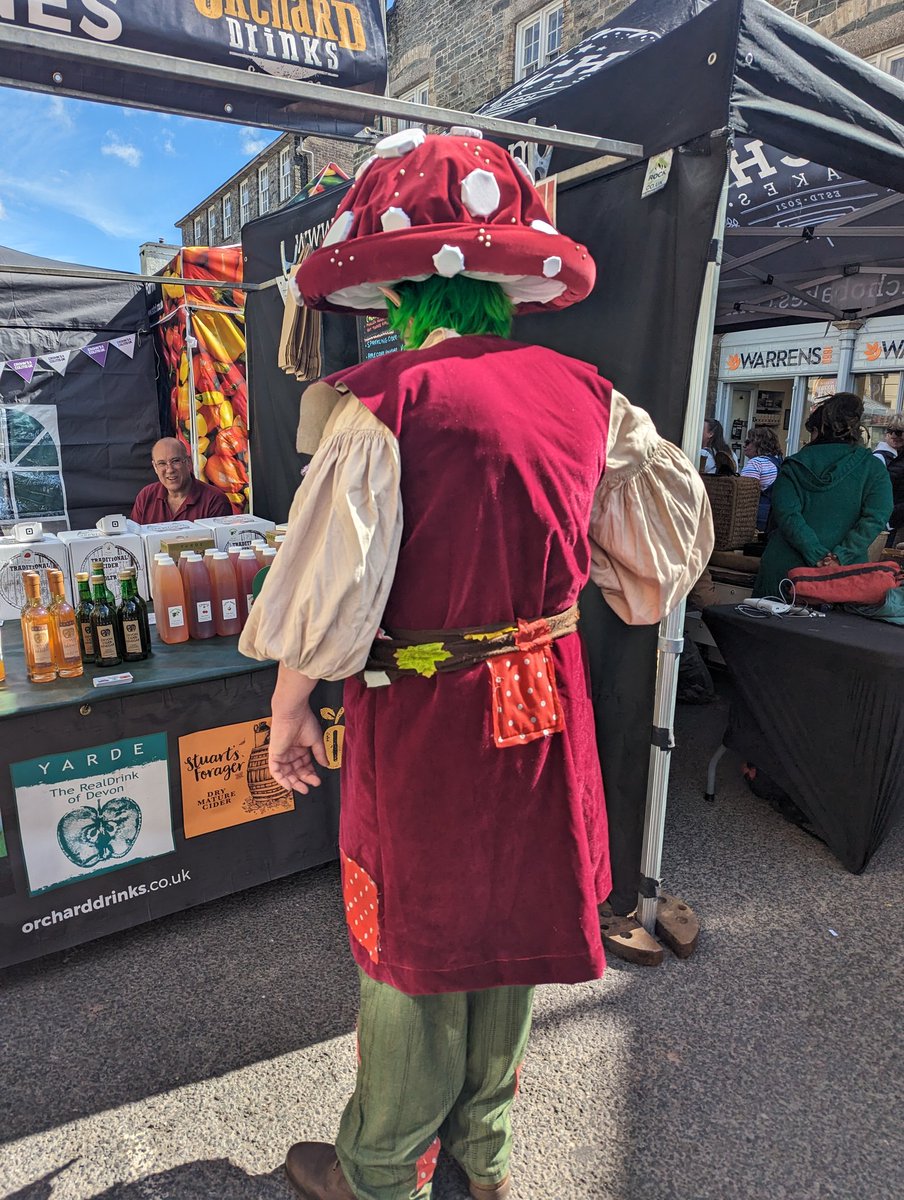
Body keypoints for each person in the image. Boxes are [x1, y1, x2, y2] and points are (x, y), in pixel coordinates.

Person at [240, 131, 712, 1200]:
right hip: (545, 698)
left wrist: (289, 709)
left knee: (412, 938)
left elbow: (329, 592)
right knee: (512, 924)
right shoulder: (593, 398)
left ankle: (377, 1173)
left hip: (428, 711)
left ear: (397, 289)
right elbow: (653, 568)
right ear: (505, 283)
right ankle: (483, 1159)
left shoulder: (382, 404)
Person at [753, 393, 892, 598]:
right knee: (836, 630)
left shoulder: (794, 465)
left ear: (818, 431)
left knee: (766, 628)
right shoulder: (873, 468)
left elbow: (787, 514)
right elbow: (877, 516)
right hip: (844, 576)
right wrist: (839, 556)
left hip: (785, 572)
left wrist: (816, 553)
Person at [130, 437, 232, 523]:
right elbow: (134, 541)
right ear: (155, 467)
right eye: (162, 463)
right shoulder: (146, 496)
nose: (170, 470)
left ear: (188, 462)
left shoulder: (215, 500)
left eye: (175, 461)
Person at [740, 425, 784, 532]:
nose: (744, 446)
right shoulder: (780, 463)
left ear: (758, 444)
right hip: (775, 516)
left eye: (748, 442)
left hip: (757, 516)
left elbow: (743, 493)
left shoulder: (756, 463)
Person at [873, 425, 904, 545]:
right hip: (889, 517)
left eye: (899, 432)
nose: (894, 435)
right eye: (890, 431)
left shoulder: (895, 457)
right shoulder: (881, 456)